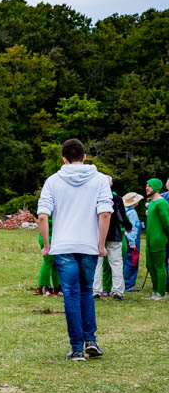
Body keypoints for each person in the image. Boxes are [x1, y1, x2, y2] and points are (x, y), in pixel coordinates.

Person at [36, 139, 113, 360]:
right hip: (89, 245)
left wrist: (47, 244)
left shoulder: (53, 181)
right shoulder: (99, 180)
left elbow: (42, 216)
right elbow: (105, 214)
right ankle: (91, 339)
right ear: (85, 156)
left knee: (71, 294)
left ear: (64, 158)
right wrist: (101, 244)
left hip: (64, 246)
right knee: (87, 291)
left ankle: (77, 348)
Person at [92, 179, 131, 300]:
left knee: (96, 264)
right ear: (111, 184)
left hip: (97, 234)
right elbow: (121, 216)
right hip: (114, 234)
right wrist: (128, 226)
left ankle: (95, 291)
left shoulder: (94, 197)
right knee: (116, 263)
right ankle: (118, 292)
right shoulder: (117, 199)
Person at [144, 178, 169, 300]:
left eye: (149, 186)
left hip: (158, 239)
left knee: (160, 266)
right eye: (146, 185)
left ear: (155, 187)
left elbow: (166, 223)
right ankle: (155, 291)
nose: (146, 188)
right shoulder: (152, 203)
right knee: (149, 265)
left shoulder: (162, 203)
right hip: (149, 239)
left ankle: (161, 293)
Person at [123, 192, 144, 292]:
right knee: (132, 261)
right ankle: (128, 284)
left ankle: (124, 282)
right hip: (132, 239)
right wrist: (132, 243)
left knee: (126, 260)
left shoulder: (125, 210)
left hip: (125, 239)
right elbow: (131, 229)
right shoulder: (132, 213)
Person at [36, 219, 61, 296]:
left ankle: (57, 287)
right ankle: (45, 287)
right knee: (48, 262)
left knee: (56, 264)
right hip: (47, 237)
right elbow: (42, 219)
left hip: (56, 238)